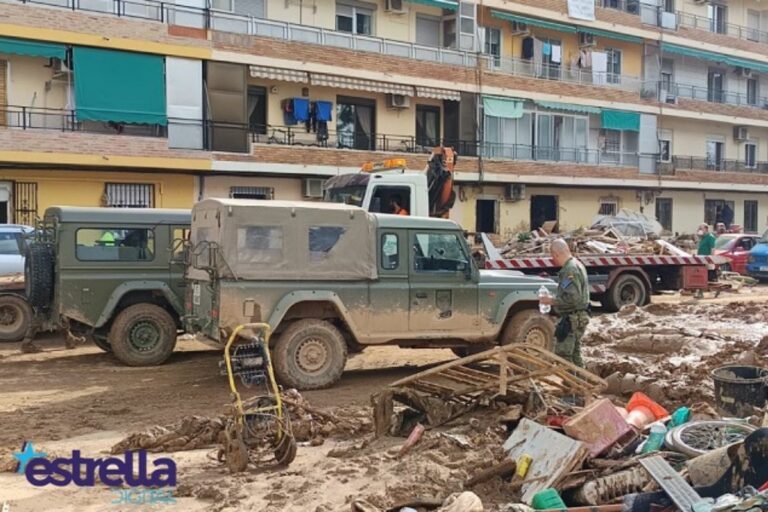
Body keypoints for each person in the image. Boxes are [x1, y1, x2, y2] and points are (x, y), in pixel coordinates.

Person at [539, 239, 589, 367]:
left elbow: (573, 298)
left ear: (556, 254)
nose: (553, 260)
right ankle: (582, 384)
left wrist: (551, 301)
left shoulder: (570, 270)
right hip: (578, 317)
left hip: (571, 319)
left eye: (552, 256)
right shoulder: (576, 265)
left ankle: (571, 385)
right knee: (575, 355)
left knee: (564, 357)